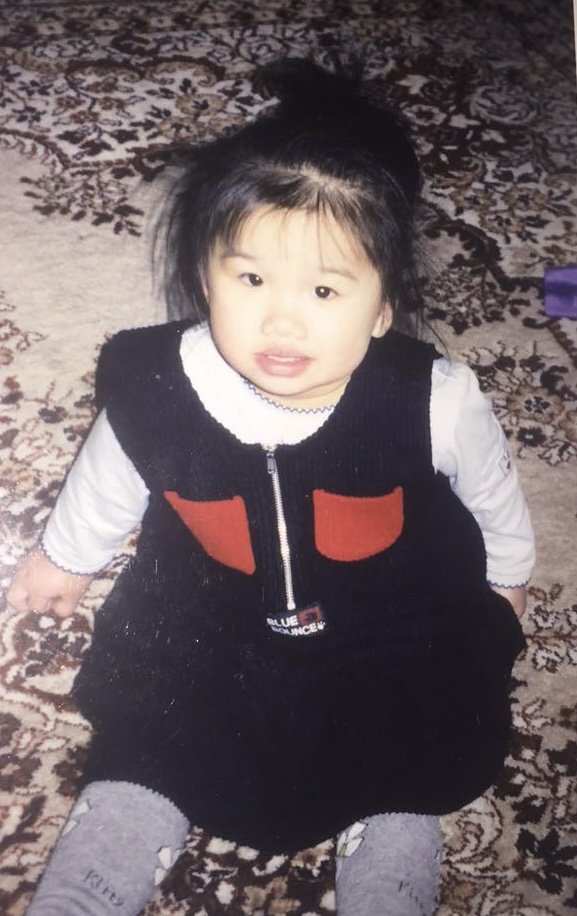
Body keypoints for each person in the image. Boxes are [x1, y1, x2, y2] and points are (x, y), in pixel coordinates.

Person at [7, 57, 534, 916]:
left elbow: (494, 494)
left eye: (325, 289)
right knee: (150, 739)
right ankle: (108, 853)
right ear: (206, 270)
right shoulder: (155, 387)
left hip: (389, 625)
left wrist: (504, 578)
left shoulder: (432, 399)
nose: (281, 319)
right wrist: (66, 557)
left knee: (407, 753)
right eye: (250, 278)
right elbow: (111, 473)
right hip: (209, 614)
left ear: (381, 307)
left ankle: (391, 852)